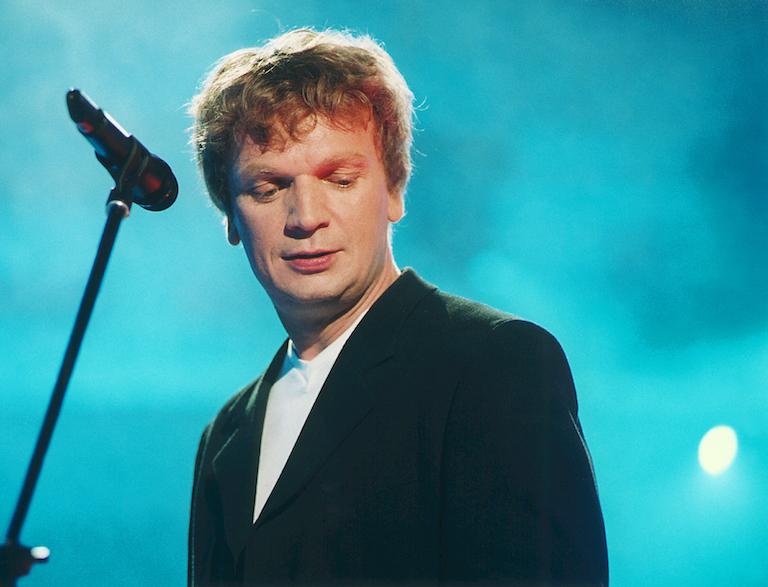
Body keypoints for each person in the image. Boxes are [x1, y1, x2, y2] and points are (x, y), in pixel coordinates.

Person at [187, 28, 608, 587]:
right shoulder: (227, 433)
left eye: (340, 179)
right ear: (231, 218)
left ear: (394, 190)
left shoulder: (494, 363)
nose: (305, 216)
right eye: (268, 188)